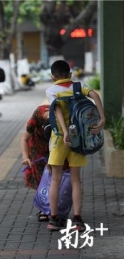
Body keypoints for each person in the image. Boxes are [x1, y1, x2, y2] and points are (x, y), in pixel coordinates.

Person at [45, 60, 105, 231]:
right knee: (76, 180)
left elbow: (57, 111)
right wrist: (102, 118)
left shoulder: (51, 91)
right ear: (70, 74)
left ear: (52, 76)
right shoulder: (79, 86)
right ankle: (77, 219)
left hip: (59, 139)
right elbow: (95, 95)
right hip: (79, 138)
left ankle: (54, 219)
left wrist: (64, 133)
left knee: (55, 179)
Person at [20, 105, 50, 222]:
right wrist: (25, 157)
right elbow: (24, 138)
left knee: (55, 178)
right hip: (37, 151)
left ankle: (54, 208)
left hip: (54, 149)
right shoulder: (36, 117)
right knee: (42, 180)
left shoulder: (60, 116)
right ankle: (44, 209)